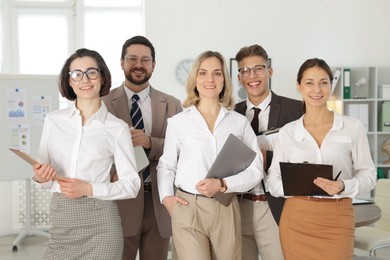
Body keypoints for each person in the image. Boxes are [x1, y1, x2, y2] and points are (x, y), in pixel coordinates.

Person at [32, 48, 141, 260]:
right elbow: (43, 177)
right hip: (61, 219)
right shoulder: (53, 121)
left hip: (101, 223)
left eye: (92, 72)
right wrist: (40, 176)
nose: (85, 79)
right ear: (70, 82)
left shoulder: (116, 128)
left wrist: (89, 188)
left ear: (102, 77)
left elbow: (131, 184)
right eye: (77, 74)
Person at [157, 50, 263, 260]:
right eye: (203, 73)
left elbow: (256, 169)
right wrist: (166, 198)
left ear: (224, 79)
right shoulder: (179, 122)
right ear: (194, 79)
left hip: (226, 207)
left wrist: (223, 184)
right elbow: (166, 165)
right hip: (188, 207)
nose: (210, 79)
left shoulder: (238, 122)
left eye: (217, 73)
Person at [267, 58, 377, 259]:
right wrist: (295, 186)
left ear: (330, 85)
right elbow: (272, 180)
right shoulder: (288, 132)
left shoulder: (352, 127)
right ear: (299, 86)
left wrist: (344, 186)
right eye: (309, 83)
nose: (316, 89)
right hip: (297, 218)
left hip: (337, 217)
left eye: (323, 82)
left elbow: (369, 176)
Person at [102, 35, 182, 260]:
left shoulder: (172, 104)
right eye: (132, 59)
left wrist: (150, 142)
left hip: (158, 201)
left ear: (154, 65)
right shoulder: (103, 104)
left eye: (145, 60)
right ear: (121, 62)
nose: (139, 65)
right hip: (119, 202)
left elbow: (183, 150)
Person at [234, 44, 303, 260]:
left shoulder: (296, 109)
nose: (252, 76)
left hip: (275, 206)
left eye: (259, 69)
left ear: (269, 71)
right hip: (239, 205)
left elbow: (305, 155)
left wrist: (270, 158)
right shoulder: (231, 114)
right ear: (239, 76)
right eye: (245, 70)